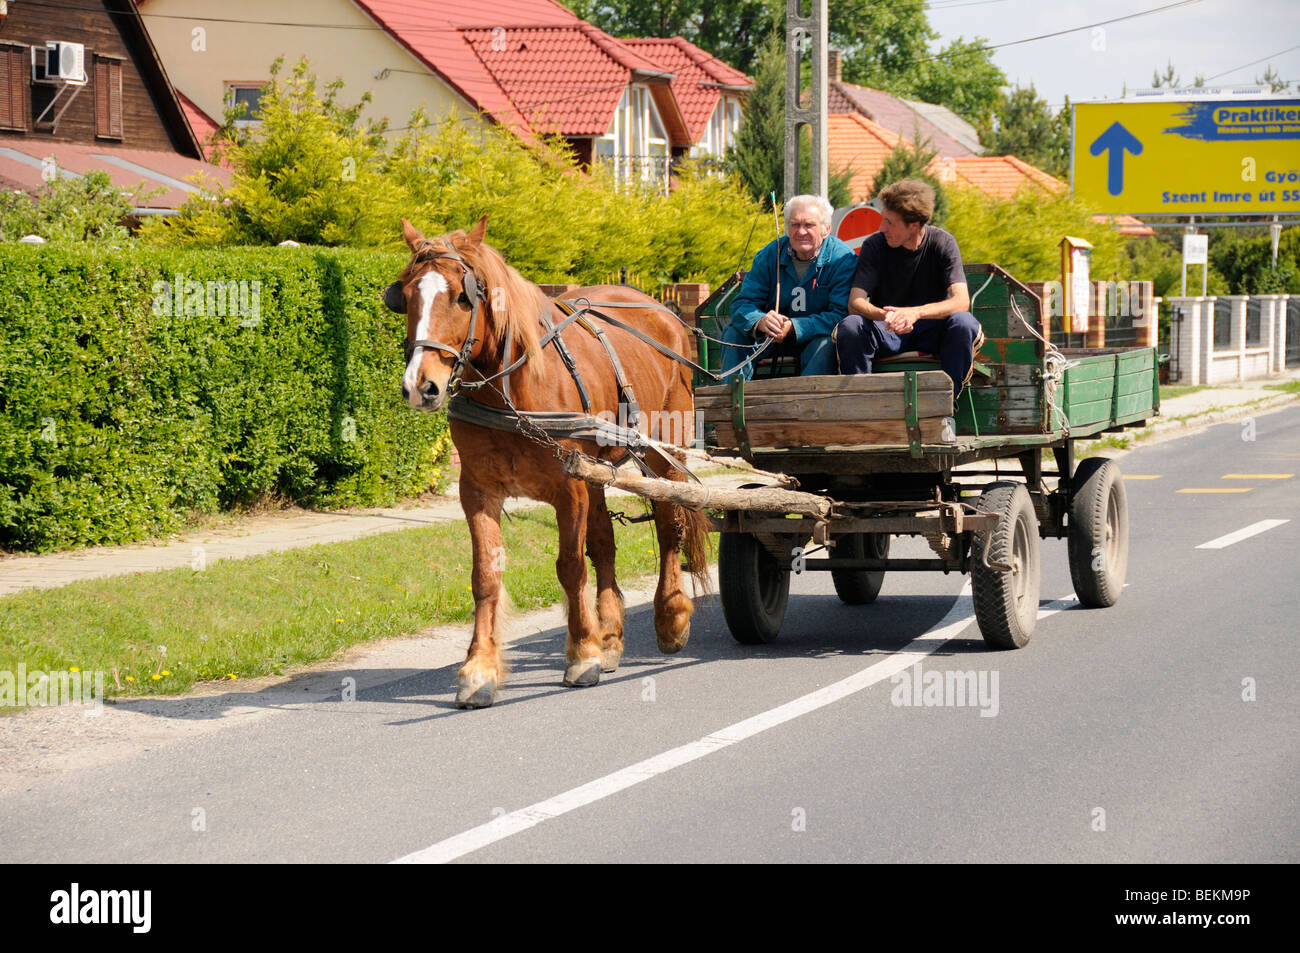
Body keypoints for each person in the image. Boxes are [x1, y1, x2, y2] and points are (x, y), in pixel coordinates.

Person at [835, 179, 983, 400]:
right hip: (888, 329)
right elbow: (855, 302)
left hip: (933, 331)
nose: (881, 227)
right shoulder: (874, 246)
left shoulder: (943, 243)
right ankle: (862, 405)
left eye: (890, 223)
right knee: (850, 326)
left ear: (913, 225)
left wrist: (915, 313)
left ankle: (947, 404)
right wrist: (889, 315)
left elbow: (961, 301)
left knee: (965, 323)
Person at [721, 194, 857, 380]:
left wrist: (795, 327)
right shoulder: (769, 255)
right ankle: (733, 402)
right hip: (769, 339)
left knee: (826, 344)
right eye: (795, 225)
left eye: (809, 225)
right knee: (734, 333)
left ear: (826, 229)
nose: (801, 232)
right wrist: (760, 321)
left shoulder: (842, 259)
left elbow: (841, 314)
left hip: (815, 338)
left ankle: (808, 406)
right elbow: (743, 304)